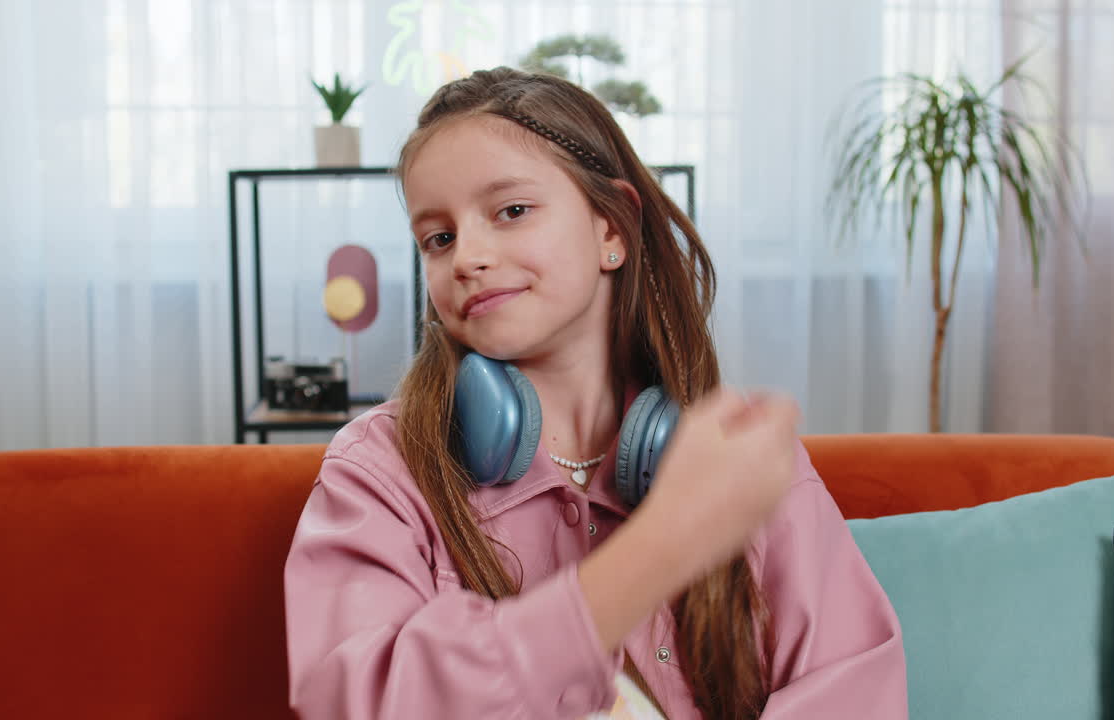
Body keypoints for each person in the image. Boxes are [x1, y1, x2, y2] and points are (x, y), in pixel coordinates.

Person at [283, 67, 907, 720]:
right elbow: (350, 703)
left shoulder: (737, 460)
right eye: (438, 238)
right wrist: (654, 554)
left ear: (611, 228)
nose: (466, 255)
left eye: (511, 211)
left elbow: (856, 691)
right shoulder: (380, 468)